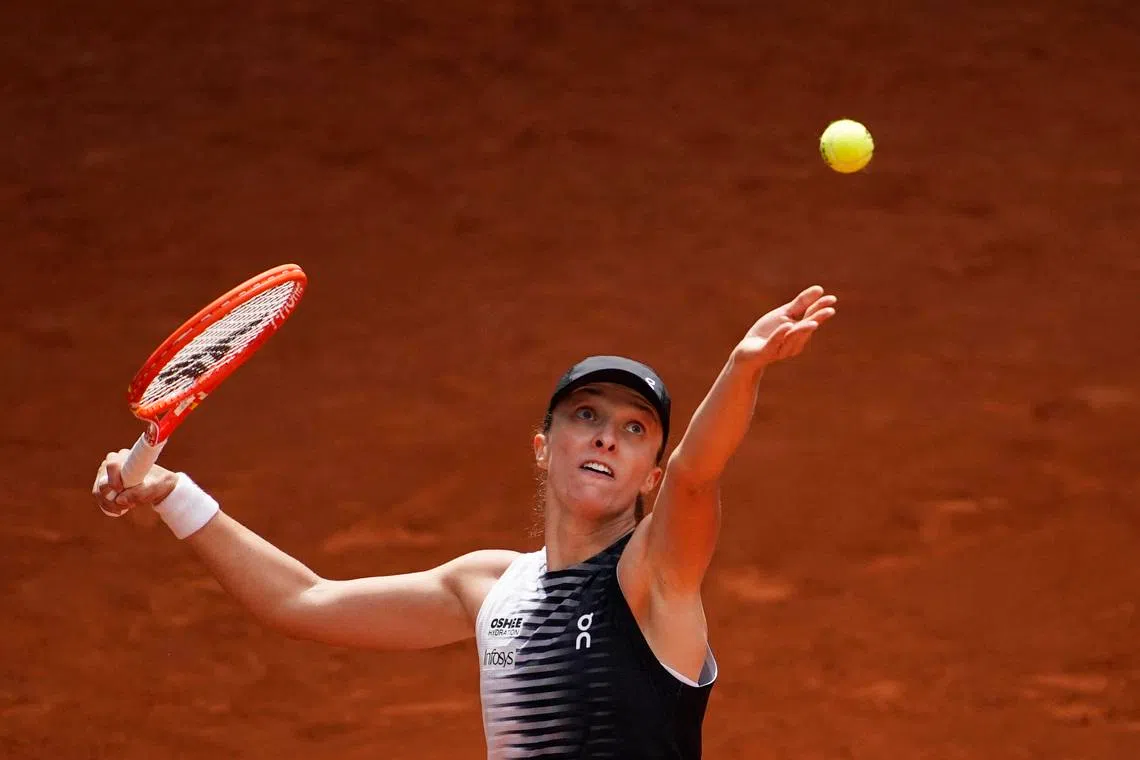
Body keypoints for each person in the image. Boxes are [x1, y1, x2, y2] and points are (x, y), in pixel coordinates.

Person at [92, 285, 837, 759]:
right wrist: (170, 492)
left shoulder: (654, 577)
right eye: (586, 416)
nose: (607, 437)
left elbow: (700, 472)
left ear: (652, 476)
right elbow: (302, 600)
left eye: (635, 429)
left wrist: (743, 368)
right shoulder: (487, 587)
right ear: (544, 448)